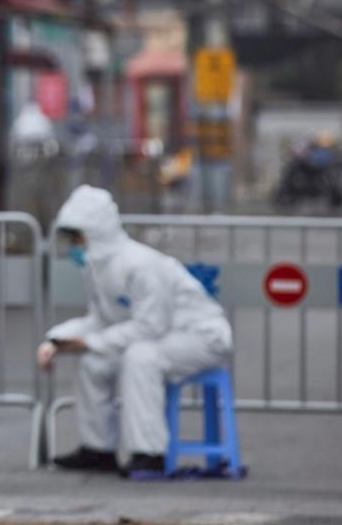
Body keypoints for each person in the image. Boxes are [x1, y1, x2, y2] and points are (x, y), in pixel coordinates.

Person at [38, 185, 232, 475]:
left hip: (201, 336)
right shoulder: (98, 268)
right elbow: (101, 320)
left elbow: (150, 327)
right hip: (164, 336)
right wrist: (57, 340)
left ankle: (149, 454)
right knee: (94, 364)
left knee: (141, 358)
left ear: (95, 233)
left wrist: (89, 341)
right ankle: (98, 449)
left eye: (77, 238)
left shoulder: (140, 264)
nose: (73, 247)